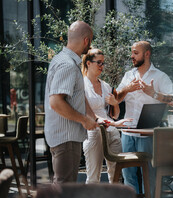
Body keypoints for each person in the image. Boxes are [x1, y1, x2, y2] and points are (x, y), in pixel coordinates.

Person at [115, 41, 173, 198]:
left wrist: (154, 94)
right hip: (128, 132)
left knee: (148, 175)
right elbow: (116, 99)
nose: (132, 56)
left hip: (148, 135)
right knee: (128, 176)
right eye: (132, 53)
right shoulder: (129, 76)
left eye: (136, 53)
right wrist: (126, 88)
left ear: (147, 54)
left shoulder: (160, 76)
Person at [44, 21, 97, 184]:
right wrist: (83, 119)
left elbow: (75, 95)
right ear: (86, 40)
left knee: (64, 188)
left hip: (65, 137)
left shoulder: (64, 61)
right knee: (64, 190)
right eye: (91, 41)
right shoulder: (67, 65)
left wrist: (92, 116)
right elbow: (56, 102)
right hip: (65, 138)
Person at [82, 48, 132, 184]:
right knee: (93, 175)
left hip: (111, 130)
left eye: (103, 63)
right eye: (99, 63)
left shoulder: (105, 86)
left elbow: (115, 115)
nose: (101, 66)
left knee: (116, 174)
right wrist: (114, 123)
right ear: (88, 63)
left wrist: (115, 103)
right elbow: (87, 114)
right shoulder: (82, 86)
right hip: (93, 131)